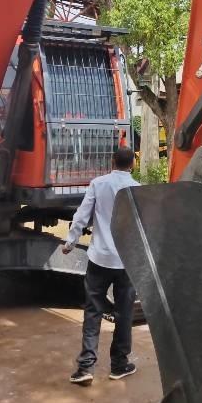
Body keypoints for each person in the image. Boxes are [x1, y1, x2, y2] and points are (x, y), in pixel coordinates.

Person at [64, 146, 138, 385]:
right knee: (124, 312)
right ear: (133, 164)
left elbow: (82, 215)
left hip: (100, 259)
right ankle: (119, 365)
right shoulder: (138, 189)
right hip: (126, 261)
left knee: (93, 310)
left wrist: (71, 241)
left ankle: (86, 367)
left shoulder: (98, 184)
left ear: (112, 161)